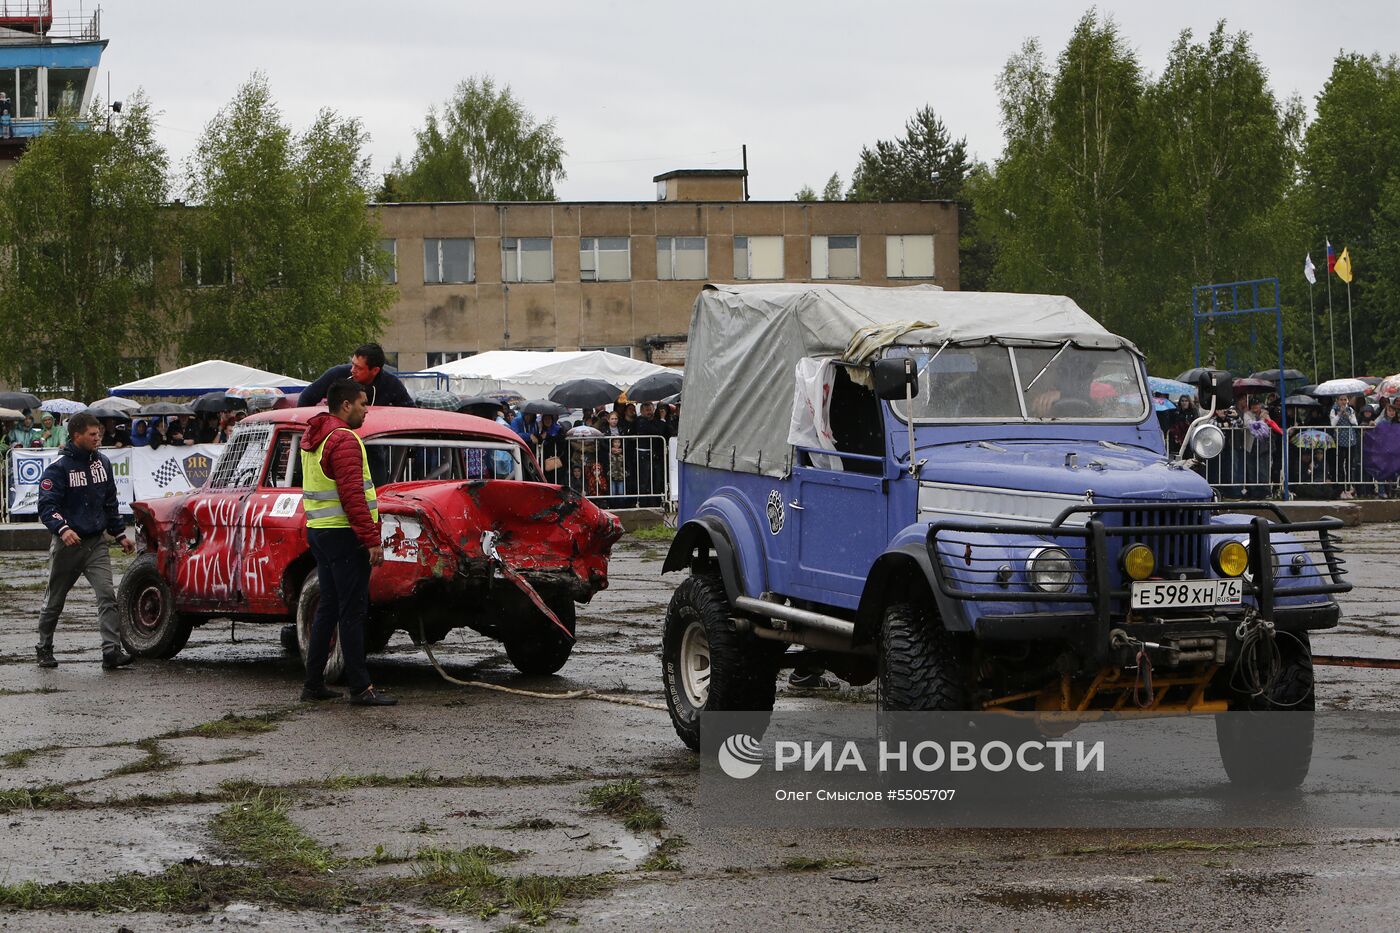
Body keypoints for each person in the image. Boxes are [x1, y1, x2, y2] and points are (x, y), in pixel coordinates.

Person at [298, 378, 395, 706]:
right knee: (352, 612)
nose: (367, 410)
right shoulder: (344, 440)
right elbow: (353, 495)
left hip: (320, 531)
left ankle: (313, 683)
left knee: (328, 607)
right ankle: (360, 688)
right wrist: (371, 540)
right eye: (363, 403)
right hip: (344, 534)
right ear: (345, 405)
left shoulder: (315, 437)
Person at [35, 412, 136, 670]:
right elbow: (47, 506)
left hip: (96, 543)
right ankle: (44, 646)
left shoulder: (102, 463)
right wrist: (62, 528)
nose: (97, 437)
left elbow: (110, 502)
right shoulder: (57, 469)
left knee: (107, 596)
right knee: (55, 599)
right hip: (68, 544)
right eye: (92, 434)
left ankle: (111, 651)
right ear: (76, 435)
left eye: (98, 433)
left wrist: (120, 533)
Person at [299, 342, 413, 408]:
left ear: (375, 370)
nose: (352, 370)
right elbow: (306, 398)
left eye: (358, 367)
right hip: (338, 439)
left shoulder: (391, 384)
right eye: (352, 364)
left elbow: (411, 412)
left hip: (374, 443)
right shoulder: (336, 374)